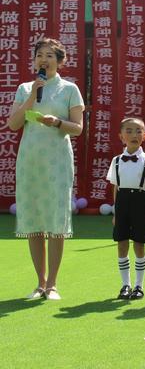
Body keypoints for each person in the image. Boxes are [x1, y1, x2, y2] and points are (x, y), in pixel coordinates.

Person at [7, 38, 84, 300]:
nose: (44, 59)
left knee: (54, 221)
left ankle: (52, 285)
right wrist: (31, 96)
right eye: (40, 54)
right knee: (34, 221)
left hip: (57, 161)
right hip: (30, 161)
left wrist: (57, 122)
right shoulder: (25, 88)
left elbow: (78, 127)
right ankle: (39, 283)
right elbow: (14, 124)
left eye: (50, 55)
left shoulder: (69, 89)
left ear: (60, 61)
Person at [106, 117, 145, 300]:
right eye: (129, 131)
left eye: (138, 131)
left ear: (144, 136)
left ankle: (139, 285)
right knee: (121, 244)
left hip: (141, 203)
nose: (134, 135)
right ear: (121, 136)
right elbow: (115, 187)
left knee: (139, 244)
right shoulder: (116, 161)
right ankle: (125, 285)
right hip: (122, 203)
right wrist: (116, 211)